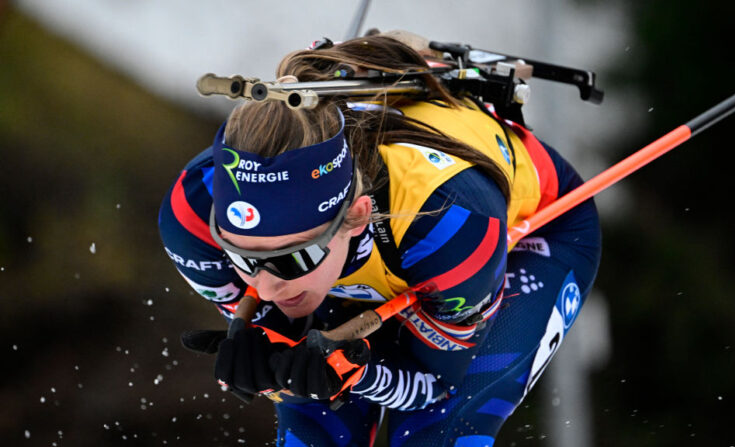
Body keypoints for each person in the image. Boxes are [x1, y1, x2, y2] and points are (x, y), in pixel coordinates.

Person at [159, 34, 601, 447]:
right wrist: (273, 362)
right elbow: (287, 347)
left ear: (356, 216)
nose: (267, 286)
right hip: (367, 263)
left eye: (292, 259)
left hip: (530, 233)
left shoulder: (449, 223)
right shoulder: (191, 218)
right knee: (312, 415)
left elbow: (435, 386)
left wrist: (361, 373)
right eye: (244, 259)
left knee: (443, 429)